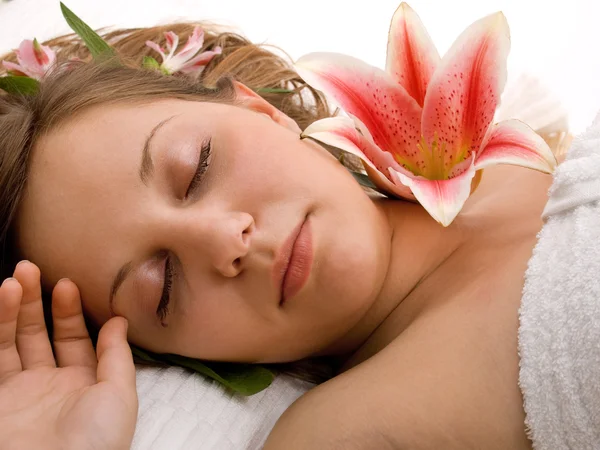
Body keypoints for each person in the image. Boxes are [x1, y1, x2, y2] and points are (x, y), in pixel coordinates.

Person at [0, 21, 595, 450]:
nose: (225, 240)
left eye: (198, 167)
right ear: (180, 357)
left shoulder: (523, 151)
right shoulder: (350, 432)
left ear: (264, 112)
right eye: (162, 286)